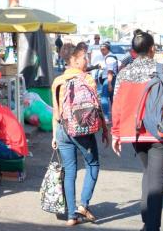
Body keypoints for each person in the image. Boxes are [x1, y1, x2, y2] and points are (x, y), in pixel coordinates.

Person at [112, 31, 163, 231]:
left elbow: (117, 104)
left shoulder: (124, 72)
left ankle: (147, 219)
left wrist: (116, 133)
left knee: (148, 171)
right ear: (152, 49)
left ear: (133, 50)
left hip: (134, 131)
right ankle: (152, 226)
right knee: (156, 178)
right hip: (161, 130)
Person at [51, 42, 109, 226]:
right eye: (84, 57)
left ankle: (71, 216)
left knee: (70, 172)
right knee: (93, 164)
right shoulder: (87, 79)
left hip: (62, 130)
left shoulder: (57, 81)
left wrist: (54, 135)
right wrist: (105, 130)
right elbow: (97, 107)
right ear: (74, 60)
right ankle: (83, 205)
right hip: (82, 131)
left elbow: (56, 112)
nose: (87, 60)